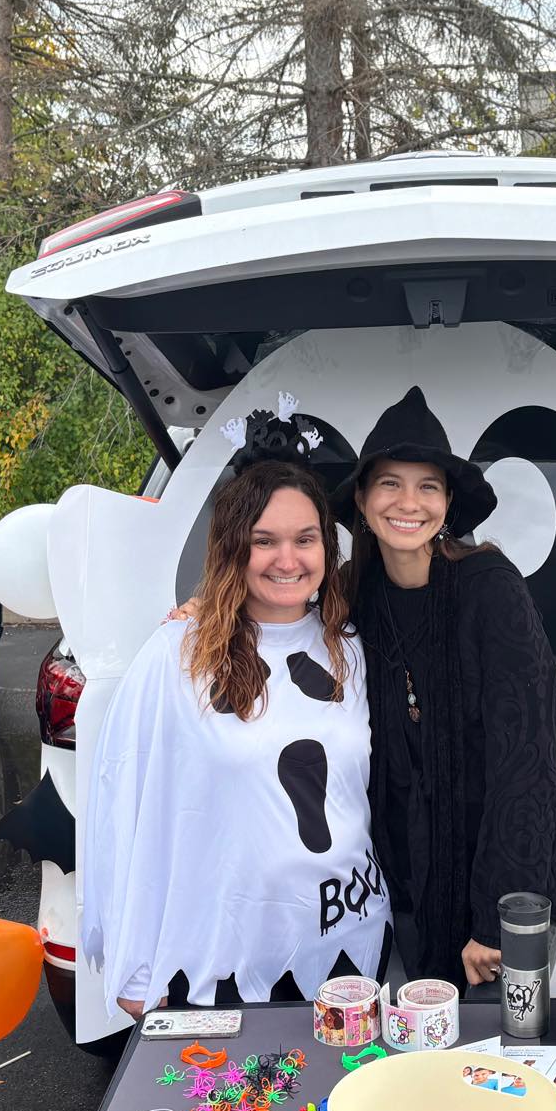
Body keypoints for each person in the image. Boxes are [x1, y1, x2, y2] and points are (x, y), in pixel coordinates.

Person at [80, 425, 390, 1018]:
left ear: (327, 547)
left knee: (337, 1081)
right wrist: (137, 964)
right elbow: (127, 799)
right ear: (231, 547)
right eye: (263, 541)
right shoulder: (179, 655)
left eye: (305, 539)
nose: (288, 560)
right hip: (221, 954)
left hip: (348, 938)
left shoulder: (350, 647)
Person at [334, 386, 556, 987]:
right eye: (389, 483)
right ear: (363, 500)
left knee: (502, 1038)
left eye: (428, 486)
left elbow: (528, 762)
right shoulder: (352, 591)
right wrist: (199, 611)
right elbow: (271, 613)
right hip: (404, 879)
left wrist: (501, 918)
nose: (408, 503)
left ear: (447, 504)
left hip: (502, 877)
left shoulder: (490, 589)